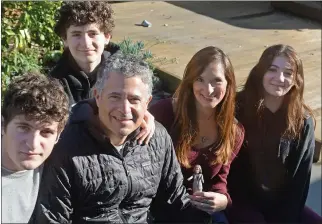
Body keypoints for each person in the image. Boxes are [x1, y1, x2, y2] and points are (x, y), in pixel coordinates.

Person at [34, 53, 212, 223]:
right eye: (115, 97)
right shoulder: (67, 146)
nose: (124, 109)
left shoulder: (157, 138)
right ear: (97, 96)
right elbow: (53, 217)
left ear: (147, 102)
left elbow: (174, 203)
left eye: (134, 99)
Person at [227, 44, 322, 223]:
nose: (279, 78)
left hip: (279, 204)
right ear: (260, 72)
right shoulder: (237, 108)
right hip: (239, 200)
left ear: (296, 80)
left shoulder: (303, 120)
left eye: (288, 73)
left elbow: (299, 182)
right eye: (273, 69)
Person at [149, 46, 245, 223]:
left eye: (216, 81)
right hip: (162, 208)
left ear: (228, 84)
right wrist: (144, 118)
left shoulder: (234, 131)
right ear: (190, 81)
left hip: (202, 211)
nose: (208, 90)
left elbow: (219, 180)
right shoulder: (164, 113)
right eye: (200, 79)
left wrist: (223, 200)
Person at [51, 1, 154, 145]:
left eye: (92, 33)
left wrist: (144, 113)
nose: (85, 43)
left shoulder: (127, 73)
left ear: (107, 37)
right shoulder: (55, 84)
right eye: (76, 34)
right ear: (65, 40)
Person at [1, 72, 69, 223]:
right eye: (24, 128)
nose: (33, 144)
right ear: (2, 125)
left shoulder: (59, 168)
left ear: (58, 136)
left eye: (46, 132)